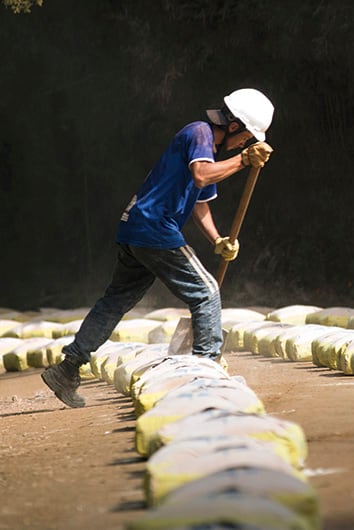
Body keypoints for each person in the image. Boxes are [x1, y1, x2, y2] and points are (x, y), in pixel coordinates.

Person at [41, 88, 275, 408]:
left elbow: (200, 202)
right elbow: (202, 176)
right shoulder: (200, 133)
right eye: (247, 138)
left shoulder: (206, 147)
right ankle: (206, 370)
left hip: (136, 227)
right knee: (206, 292)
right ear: (235, 126)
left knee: (114, 302)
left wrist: (218, 240)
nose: (245, 144)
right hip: (155, 227)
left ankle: (67, 369)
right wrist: (244, 160)